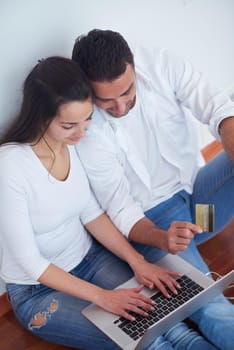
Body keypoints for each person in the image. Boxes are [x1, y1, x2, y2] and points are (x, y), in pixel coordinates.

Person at [0, 57, 218, 350]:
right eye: (69, 125)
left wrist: (138, 262)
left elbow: (92, 215)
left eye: (87, 119)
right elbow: (31, 263)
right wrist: (103, 297)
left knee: (173, 325)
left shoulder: (71, 145)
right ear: (41, 117)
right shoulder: (10, 167)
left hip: (91, 261)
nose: (82, 132)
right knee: (147, 340)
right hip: (37, 290)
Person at [72, 29, 234, 350]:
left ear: (132, 65)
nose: (120, 107)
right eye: (106, 100)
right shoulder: (86, 128)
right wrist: (163, 239)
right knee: (206, 302)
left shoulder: (160, 63)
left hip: (203, 214)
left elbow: (218, 108)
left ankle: (191, 255)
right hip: (158, 226)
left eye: (127, 92)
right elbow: (121, 209)